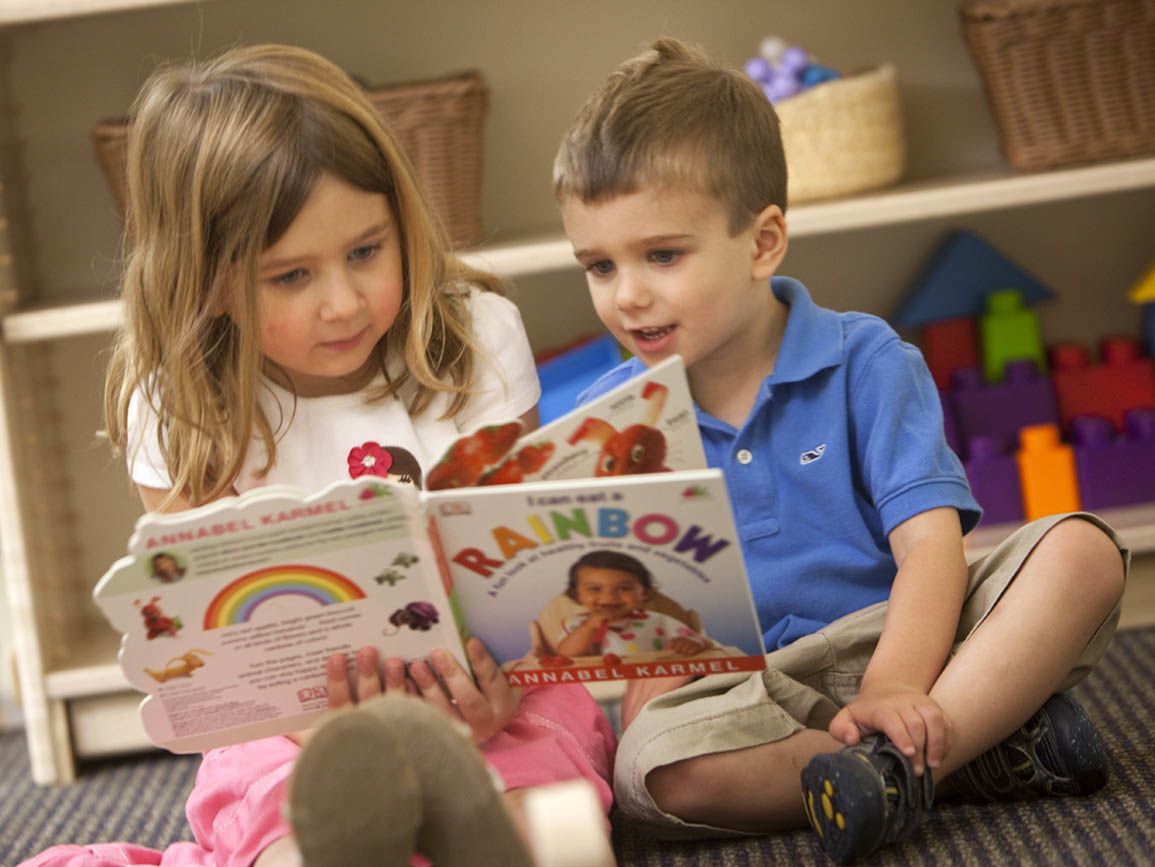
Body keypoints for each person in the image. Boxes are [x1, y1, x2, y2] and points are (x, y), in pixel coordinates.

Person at [22, 43, 616, 867]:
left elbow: (519, 566)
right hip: (288, 731)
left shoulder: (476, 339)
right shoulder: (178, 405)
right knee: (287, 834)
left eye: (367, 251)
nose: (342, 302)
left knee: (553, 827)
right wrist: (342, 733)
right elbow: (216, 650)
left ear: (402, 220)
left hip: (494, 697)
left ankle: (479, 831)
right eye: (291, 275)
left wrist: (487, 697)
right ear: (207, 281)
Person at [553, 36, 1128, 864]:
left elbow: (930, 546)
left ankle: (907, 751)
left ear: (761, 243)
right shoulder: (605, 423)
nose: (627, 295)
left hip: (915, 639)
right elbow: (634, 626)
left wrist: (896, 681)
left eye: (661, 255)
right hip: (754, 690)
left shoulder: (866, 358)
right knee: (655, 774)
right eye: (598, 266)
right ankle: (964, 752)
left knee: (1081, 552)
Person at [555, 550, 713, 658]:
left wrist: (690, 644)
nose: (609, 598)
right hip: (596, 687)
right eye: (595, 589)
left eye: (624, 588)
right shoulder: (576, 625)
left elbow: (701, 641)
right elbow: (565, 654)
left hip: (652, 682)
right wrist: (589, 628)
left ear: (644, 592)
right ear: (577, 594)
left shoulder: (658, 621)